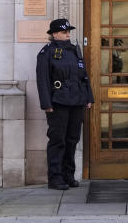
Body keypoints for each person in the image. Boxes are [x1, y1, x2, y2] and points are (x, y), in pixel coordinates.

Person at [36, 18, 93, 190]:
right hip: (58, 102)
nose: (67, 34)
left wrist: (89, 97)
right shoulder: (47, 52)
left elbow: (83, 76)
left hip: (77, 101)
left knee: (72, 139)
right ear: (54, 34)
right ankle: (55, 178)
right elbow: (43, 80)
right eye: (64, 32)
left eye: (68, 31)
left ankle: (68, 175)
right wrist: (47, 104)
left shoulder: (75, 50)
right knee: (57, 140)